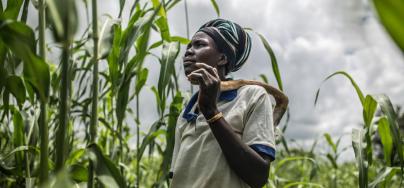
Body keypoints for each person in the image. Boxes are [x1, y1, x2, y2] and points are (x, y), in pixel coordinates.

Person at [169, 18, 288, 188]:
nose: (188, 51)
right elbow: (178, 178)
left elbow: (258, 176)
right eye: (188, 47)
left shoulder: (252, 96)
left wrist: (211, 113)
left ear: (223, 58)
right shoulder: (187, 113)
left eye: (199, 45)